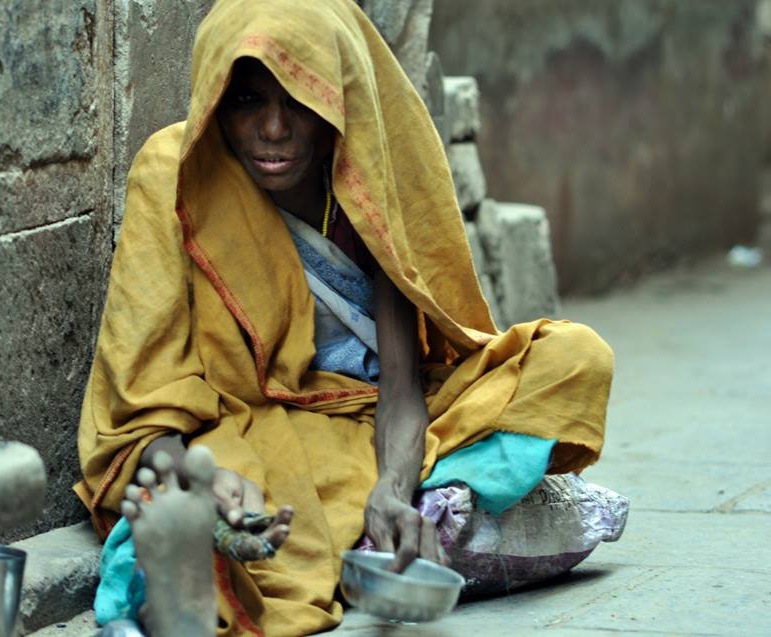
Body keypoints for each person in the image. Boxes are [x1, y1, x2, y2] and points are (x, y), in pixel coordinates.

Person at [75, 0, 613, 635]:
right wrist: (204, 479)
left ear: (336, 102)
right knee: (259, 525)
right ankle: (224, 550)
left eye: (299, 102)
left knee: (573, 360)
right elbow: (145, 403)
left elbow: (401, 389)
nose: (273, 128)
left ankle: (399, 512)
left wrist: (390, 484)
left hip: (369, 418)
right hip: (241, 428)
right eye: (248, 100)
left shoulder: (363, 179)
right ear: (216, 99)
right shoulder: (174, 172)